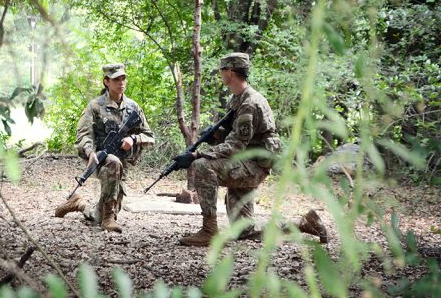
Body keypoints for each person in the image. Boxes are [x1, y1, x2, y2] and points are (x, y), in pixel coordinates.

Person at [176, 52, 328, 246]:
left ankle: (209, 230)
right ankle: (304, 223)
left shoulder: (249, 103)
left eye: (222, 71)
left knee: (201, 165)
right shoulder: (238, 99)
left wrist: (196, 155)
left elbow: (235, 146)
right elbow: (240, 137)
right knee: (244, 230)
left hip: (253, 165)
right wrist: (217, 135)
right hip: (249, 161)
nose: (221, 74)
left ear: (230, 72)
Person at [54, 63, 154, 233]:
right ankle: (108, 219)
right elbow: (83, 135)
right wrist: (90, 152)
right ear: (106, 82)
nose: (121, 82)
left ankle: (79, 204)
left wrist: (133, 138)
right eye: (116, 79)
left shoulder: (133, 107)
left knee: (100, 212)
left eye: (123, 78)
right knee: (113, 163)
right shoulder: (95, 106)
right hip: (101, 160)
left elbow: (150, 136)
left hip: (124, 163)